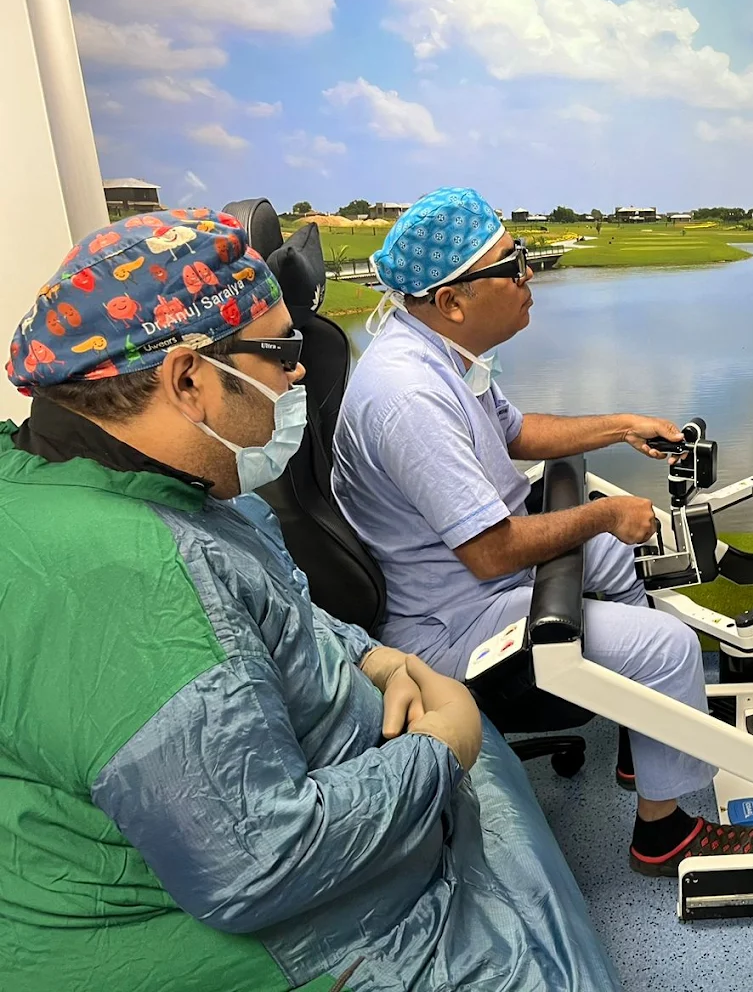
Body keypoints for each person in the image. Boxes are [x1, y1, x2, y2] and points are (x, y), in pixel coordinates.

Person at [0, 210, 620, 992]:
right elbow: (259, 864)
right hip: (275, 936)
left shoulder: (156, 489)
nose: (300, 377)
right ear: (188, 379)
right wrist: (442, 748)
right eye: (282, 351)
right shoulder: (122, 580)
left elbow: (280, 605)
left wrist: (373, 657)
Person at [331, 187, 753, 877]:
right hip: (450, 621)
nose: (529, 273)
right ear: (452, 300)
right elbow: (491, 551)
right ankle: (664, 835)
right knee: (669, 646)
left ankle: (647, 735)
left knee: (615, 559)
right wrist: (604, 513)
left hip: (478, 575)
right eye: (512, 265)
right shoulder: (408, 397)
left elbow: (517, 433)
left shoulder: (443, 353)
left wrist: (622, 425)